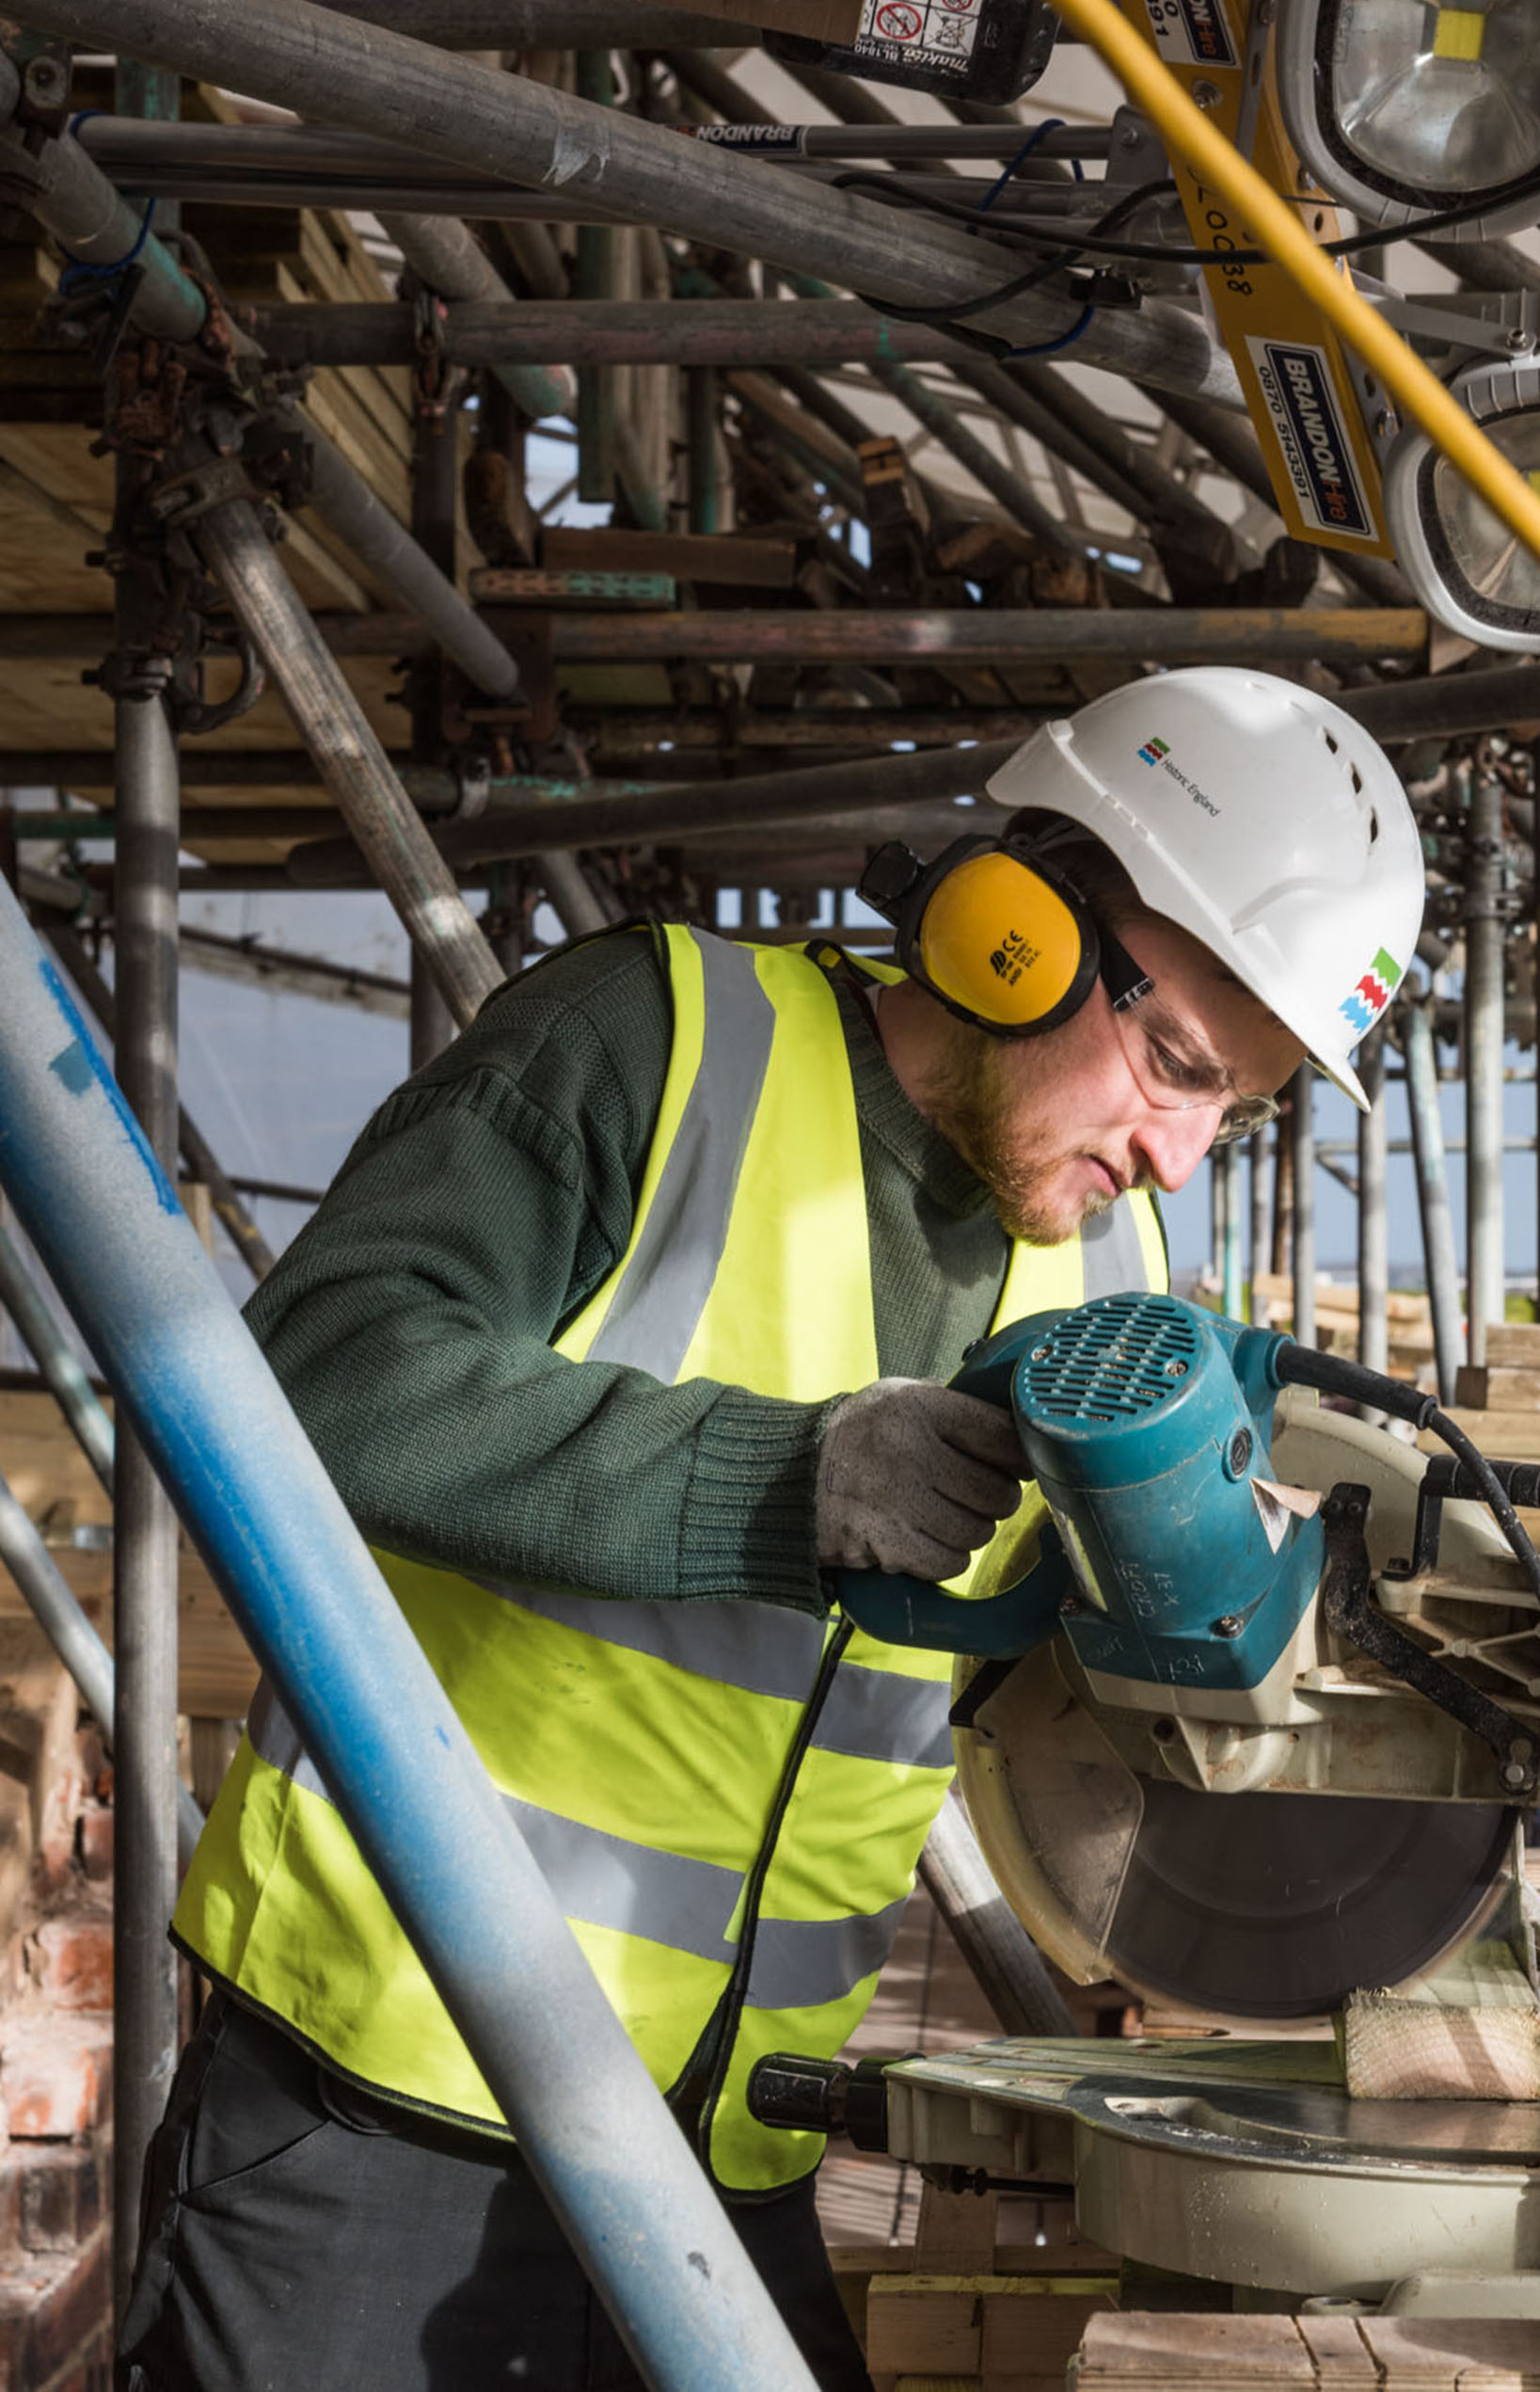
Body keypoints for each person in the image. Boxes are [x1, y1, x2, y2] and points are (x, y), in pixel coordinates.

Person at [119, 665, 1425, 2392]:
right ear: (1010, 929)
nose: (1179, 1155)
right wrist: (776, 1481)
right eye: (1175, 1063)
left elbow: (992, 1694)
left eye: (1233, 1107)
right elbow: (315, 1373)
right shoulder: (653, 1043)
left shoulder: (1114, 1271)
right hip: (392, 2103)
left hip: (728, 2153)